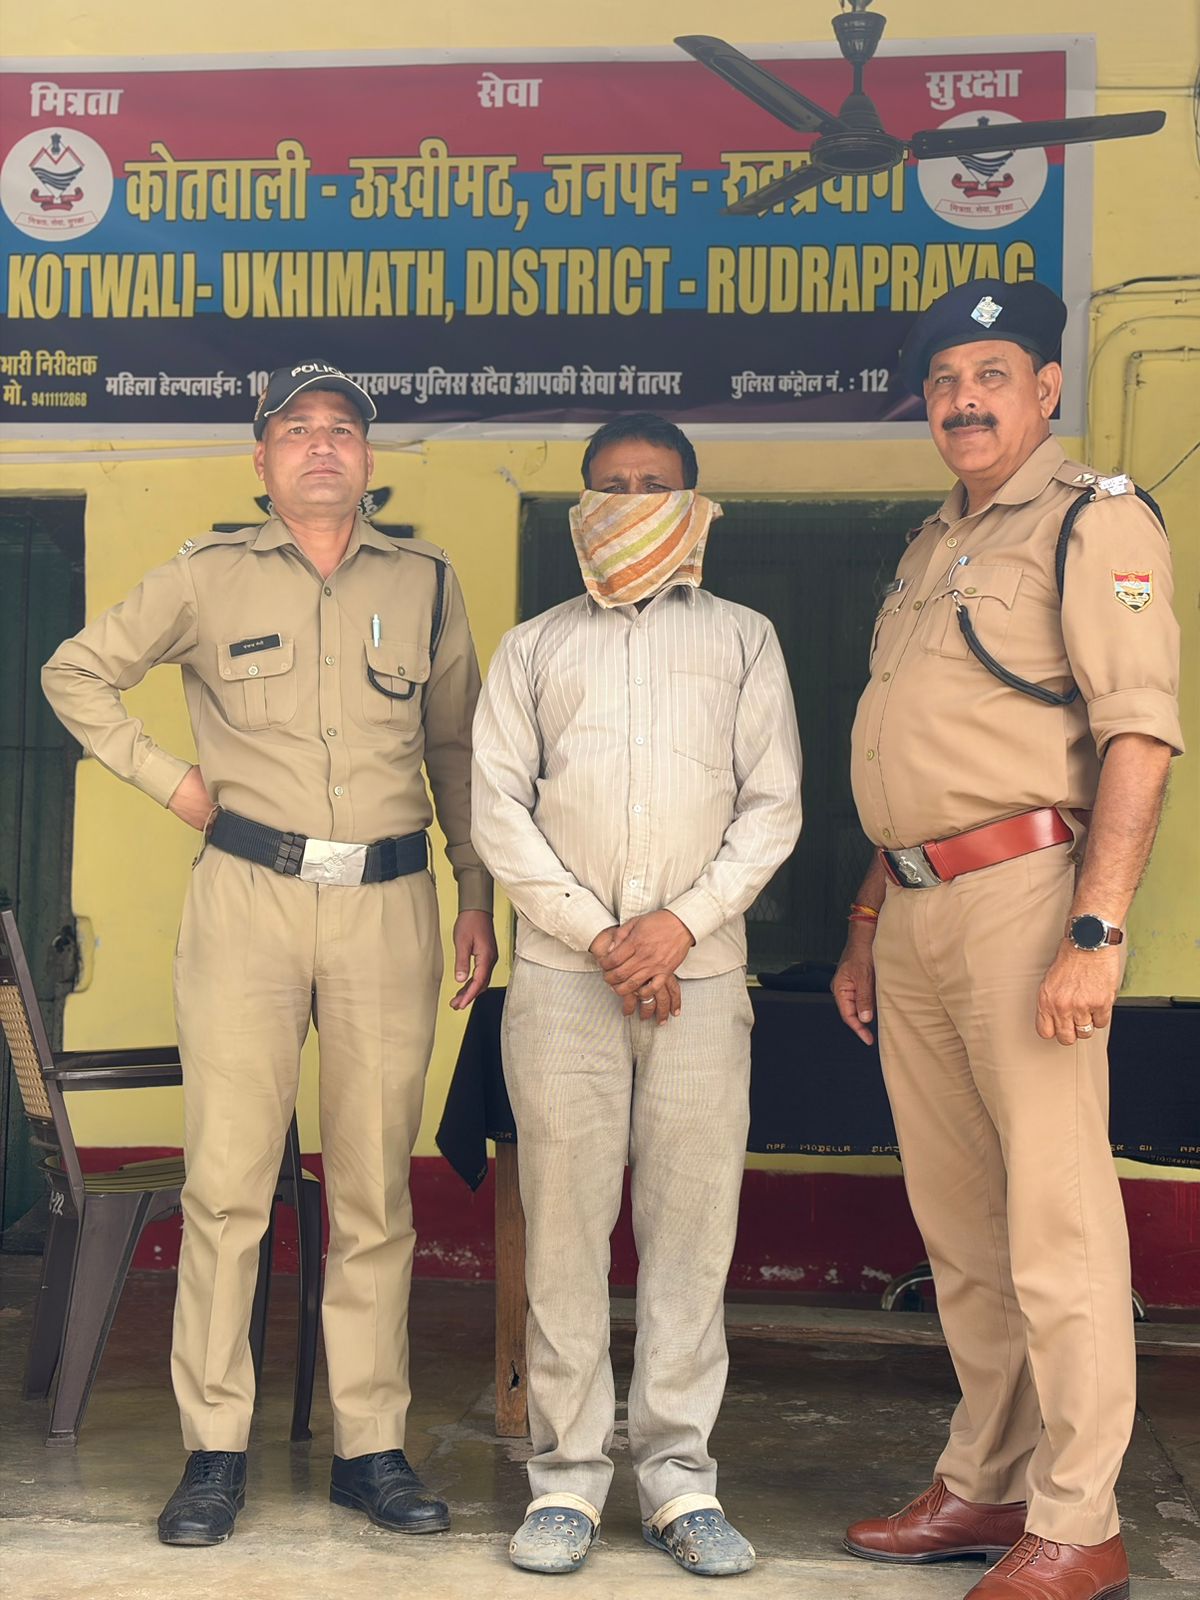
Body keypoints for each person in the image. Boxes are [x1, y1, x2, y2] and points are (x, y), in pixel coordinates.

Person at [42, 359, 497, 1547]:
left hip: (390, 903)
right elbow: (74, 671)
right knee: (230, 1184)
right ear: (261, 458)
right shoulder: (206, 574)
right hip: (247, 897)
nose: (321, 445)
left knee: (374, 1188)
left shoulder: (426, 581)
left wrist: (475, 890)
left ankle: (370, 1447)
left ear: (369, 456)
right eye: (297, 430)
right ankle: (215, 1451)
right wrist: (170, 781)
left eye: (342, 428)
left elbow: (457, 747)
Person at [832, 280, 1182, 1600]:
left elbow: (1138, 732)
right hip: (917, 907)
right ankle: (988, 1478)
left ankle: (1080, 1517)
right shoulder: (934, 541)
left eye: (991, 375)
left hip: (1030, 900)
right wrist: (866, 915)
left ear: (1045, 389)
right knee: (963, 1225)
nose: (963, 400)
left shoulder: (1096, 519)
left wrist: (1098, 926)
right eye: (942, 381)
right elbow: (915, 751)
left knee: (1055, 1220)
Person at [471, 413, 802, 1578]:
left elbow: (773, 805)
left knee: (690, 1235)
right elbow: (499, 812)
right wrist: (602, 935)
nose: (632, 502)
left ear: (695, 506)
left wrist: (677, 926)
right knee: (563, 1234)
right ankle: (564, 1479)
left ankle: (677, 1478)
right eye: (611, 485)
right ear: (582, 509)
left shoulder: (746, 640)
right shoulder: (533, 649)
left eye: (655, 484)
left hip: (699, 978)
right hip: (566, 979)